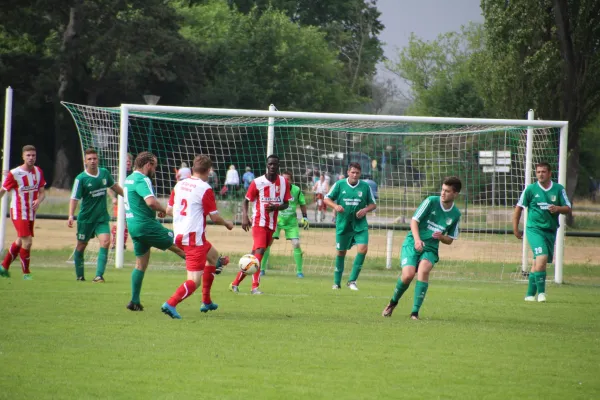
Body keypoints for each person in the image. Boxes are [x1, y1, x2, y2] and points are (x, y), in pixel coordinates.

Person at [160, 155, 234, 319]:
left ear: (192, 169)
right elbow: (214, 217)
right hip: (193, 239)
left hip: (181, 235)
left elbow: (169, 210)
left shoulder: (179, 185)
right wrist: (228, 223)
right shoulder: (204, 188)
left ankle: (206, 301)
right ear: (209, 171)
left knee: (213, 257)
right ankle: (171, 303)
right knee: (194, 281)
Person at [382, 176, 462, 320]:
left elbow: (450, 239)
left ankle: (414, 313)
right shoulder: (431, 201)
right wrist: (417, 240)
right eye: (442, 190)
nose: (443, 193)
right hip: (413, 241)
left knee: (424, 271)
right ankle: (392, 303)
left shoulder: (456, 214)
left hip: (431, 247)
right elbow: (414, 221)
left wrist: (441, 237)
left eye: (447, 191)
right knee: (407, 275)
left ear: (455, 194)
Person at [123, 151, 186, 311]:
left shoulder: (128, 180)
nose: (155, 170)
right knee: (180, 244)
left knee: (140, 264)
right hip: (146, 225)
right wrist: (164, 209)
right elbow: (151, 202)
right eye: (155, 167)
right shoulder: (142, 179)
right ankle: (208, 267)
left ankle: (134, 301)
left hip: (134, 226)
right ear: (148, 165)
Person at [230, 155, 291, 294]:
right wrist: (245, 217)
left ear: (278, 165)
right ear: (267, 165)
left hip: (272, 224)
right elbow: (246, 200)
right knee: (260, 251)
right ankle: (255, 287)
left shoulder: (284, 183)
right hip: (259, 222)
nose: (272, 166)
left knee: (254, 255)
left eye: (275, 164)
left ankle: (235, 283)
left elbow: (286, 204)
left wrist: (275, 208)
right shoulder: (257, 182)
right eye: (270, 164)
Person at [512, 162, 571, 303]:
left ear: (550, 173)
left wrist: (557, 208)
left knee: (538, 263)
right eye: (538, 172)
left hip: (550, 230)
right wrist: (515, 228)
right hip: (534, 229)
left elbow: (568, 207)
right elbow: (518, 207)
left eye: (543, 172)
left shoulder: (558, 189)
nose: (540, 174)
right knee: (542, 257)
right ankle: (542, 293)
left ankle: (529, 295)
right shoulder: (531, 189)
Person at [68, 148, 124, 282]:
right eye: (90, 159)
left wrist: (127, 197)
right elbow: (74, 198)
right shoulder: (81, 179)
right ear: (85, 161)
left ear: (98, 159)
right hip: (86, 219)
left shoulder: (104, 173)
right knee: (81, 246)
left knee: (105, 242)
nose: (93, 161)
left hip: (101, 218)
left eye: (95, 158)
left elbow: (114, 186)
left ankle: (99, 276)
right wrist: (70, 215)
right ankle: (80, 275)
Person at [324, 163, 376, 291]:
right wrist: (335, 206)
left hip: (360, 225)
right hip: (343, 224)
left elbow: (373, 204)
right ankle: (336, 283)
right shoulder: (339, 184)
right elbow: (326, 199)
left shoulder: (365, 187)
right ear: (348, 172)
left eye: (357, 173)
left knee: (363, 249)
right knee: (341, 252)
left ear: (360, 174)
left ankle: (352, 281)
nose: (354, 175)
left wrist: (365, 210)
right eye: (352, 172)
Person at [0, 145, 46, 279]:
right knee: (28, 241)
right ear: (23, 156)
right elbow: (3, 190)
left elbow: (42, 193)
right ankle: (26, 273)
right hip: (19, 211)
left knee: (20, 240)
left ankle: (4, 266)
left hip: (31, 212)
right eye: (28, 155)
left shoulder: (38, 171)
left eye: (33, 155)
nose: (31, 158)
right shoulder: (14, 173)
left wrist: (38, 201)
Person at [260, 170, 310, 278]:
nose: (285, 181)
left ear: (291, 180)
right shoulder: (275, 189)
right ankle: (262, 269)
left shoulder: (296, 190)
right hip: (276, 221)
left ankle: (299, 272)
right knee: (267, 243)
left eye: (288, 179)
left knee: (296, 243)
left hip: (291, 222)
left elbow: (302, 203)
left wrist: (305, 217)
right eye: (283, 179)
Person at [110, 153, 133, 250]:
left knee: (127, 224)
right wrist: (113, 198)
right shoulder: (117, 172)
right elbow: (109, 187)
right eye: (126, 161)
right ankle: (115, 243)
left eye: (129, 161)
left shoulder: (133, 173)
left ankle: (122, 243)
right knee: (118, 222)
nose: (127, 163)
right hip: (119, 203)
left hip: (130, 203)